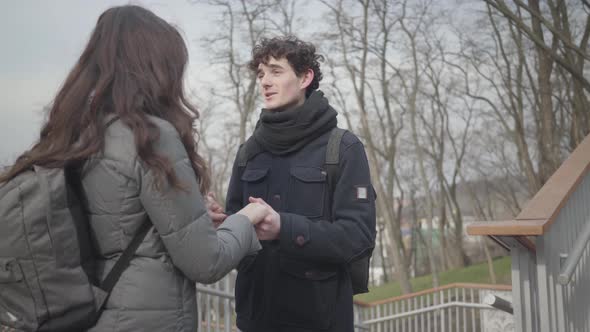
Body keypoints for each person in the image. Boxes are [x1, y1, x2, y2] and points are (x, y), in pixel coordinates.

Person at [0, 5, 268, 331]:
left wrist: (193, 214)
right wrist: (246, 220)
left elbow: (113, 222)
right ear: (156, 67)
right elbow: (205, 261)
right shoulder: (148, 137)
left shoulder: (72, 133)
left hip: (87, 314)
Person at [215, 36, 377, 332]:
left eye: (276, 72)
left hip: (320, 321)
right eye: (261, 73)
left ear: (305, 77)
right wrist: (222, 224)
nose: (265, 81)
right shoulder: (248, 153)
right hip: (255, 321)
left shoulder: (343, 148)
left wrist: (283, 228)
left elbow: (359, 237)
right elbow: (236, 242)